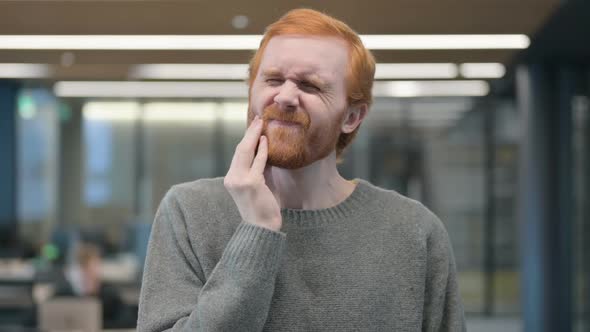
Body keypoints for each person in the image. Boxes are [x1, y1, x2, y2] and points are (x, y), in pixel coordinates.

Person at [138, 8, 466, 332]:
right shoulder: (189, 212)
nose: (285, 97)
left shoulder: (414, 231)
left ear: (352, 117)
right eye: (273, 79)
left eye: (310, 86)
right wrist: (258, 231)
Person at [53, 242, 126, 328]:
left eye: (94, 265)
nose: (90, 272)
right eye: (84, 268)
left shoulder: (109, 294)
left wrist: (96, 325)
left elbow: (126, 320)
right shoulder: (64, 294)